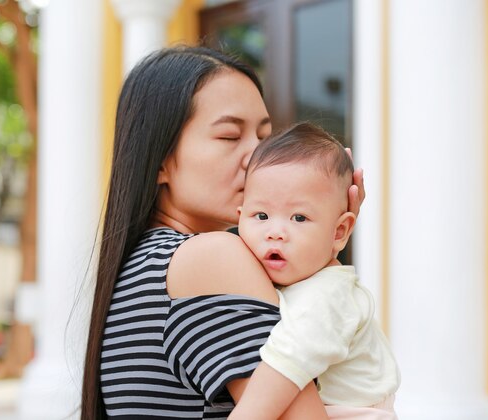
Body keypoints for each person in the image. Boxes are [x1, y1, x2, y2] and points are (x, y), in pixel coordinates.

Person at [80, 46, 365, 419]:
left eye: (265, 137)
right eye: (230, 137)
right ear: (159, 162)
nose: (256, 158)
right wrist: (324, 243)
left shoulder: (136, 268)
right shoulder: (212, 258)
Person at [230, 123, 400, 419]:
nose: (276, 232)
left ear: (339, 232)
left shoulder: (325, 296)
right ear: (239, 218)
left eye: (299, 217)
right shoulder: (292, 280)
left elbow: (278, 374)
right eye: (261, 215)